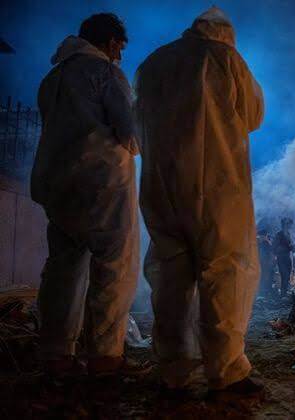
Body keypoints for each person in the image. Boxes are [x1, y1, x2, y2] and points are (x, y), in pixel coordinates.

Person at [134, 6, 264, 396]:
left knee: (170, 277)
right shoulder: (226, 59)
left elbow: (136, 123)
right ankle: (225, 370)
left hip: (162, 187)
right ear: (225, 34)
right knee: (225, 273)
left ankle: (174, 369)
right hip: (217, 186)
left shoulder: (153, 63)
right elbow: (254, 115)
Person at [31, 13, 146, 378]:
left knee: (63, 269)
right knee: (114, 267)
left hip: (57, 187)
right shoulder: (106, 74)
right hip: (102, 186)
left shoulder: (53, 78)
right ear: (111, 43)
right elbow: (131, 134)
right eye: (120, 48)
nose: (120, 56)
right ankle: (105, 357)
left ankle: (56, 354)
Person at [273, 218, 295, 297]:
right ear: (284, 224)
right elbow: (275, 247)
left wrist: (292, 247)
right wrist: (287, 248)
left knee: (287, 275)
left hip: (287, 257)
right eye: (288, 224)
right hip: (281, 258)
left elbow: (289, 245)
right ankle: (283, 294)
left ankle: (284, 293)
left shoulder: (288, 234)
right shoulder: (279, 234)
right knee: (284, 275)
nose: (290, 225)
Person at [257, 230, 276, 297]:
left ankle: (264, 293)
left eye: (260, 236)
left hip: (265, 264)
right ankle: (265, 293)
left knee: (265, 279)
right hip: (265, 264)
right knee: (265, 279)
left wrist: (270, 263)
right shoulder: (265, 243)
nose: (259, 238)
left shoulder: (265, 243)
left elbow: (270, 255)